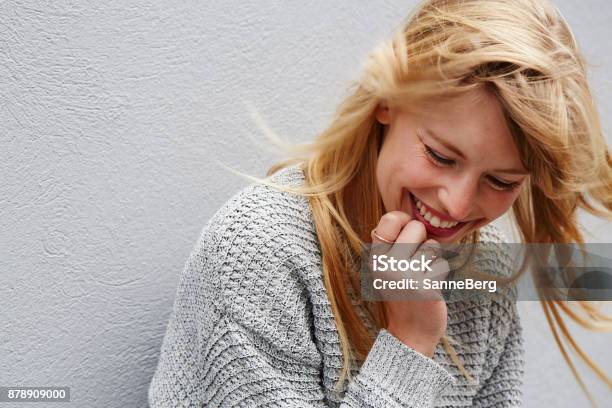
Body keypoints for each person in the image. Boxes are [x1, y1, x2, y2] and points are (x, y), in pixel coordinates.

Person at [148, 0, 612, 406]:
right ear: (386, 103)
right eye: (441, 156)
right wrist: (410, 341)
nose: (457, 203)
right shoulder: (258, 253)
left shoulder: (484, 275)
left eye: (501, 181)